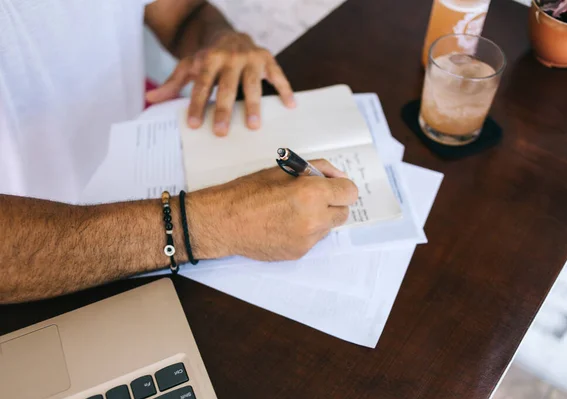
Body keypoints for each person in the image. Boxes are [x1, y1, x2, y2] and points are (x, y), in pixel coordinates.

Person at [0, 0, 358, 304]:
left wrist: (220, 40)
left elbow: (183, 14)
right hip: (35, 274)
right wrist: (208, 224)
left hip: (140, 166)